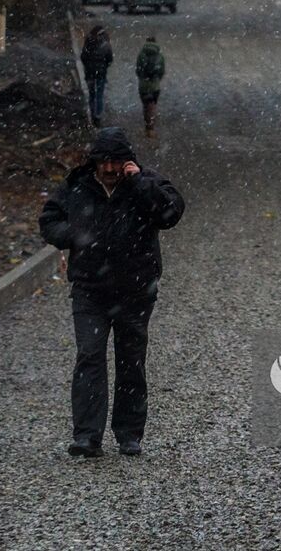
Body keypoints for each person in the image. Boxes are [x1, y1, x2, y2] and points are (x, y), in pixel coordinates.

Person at [39, 127, 186, 458]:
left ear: (128, 162)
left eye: (116, 162)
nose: (109, 169)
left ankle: (129, 433)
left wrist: (139, 183)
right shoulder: (77, 186)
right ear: (94, 162)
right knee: (89, 355)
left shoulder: (145, 183)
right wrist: (74, 235)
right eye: (104, 162)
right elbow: (48, 220)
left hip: (135, 290)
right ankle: (87, 435)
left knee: (130, 359)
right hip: (89, 289)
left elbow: (170, 214)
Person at [79, 25, 114, 127]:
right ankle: (97, 117)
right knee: (99, 95)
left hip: (89, 74)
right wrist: (104, 66)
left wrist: (88, 66)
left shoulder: (88, 43)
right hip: (101, 74)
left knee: (92, 95)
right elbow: (110, 59)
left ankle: (92, 114)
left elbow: (83, 57)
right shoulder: (106, 45)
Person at [135, 36, 165, 138]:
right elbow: (161, 71)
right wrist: (156, 79)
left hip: (143, 86)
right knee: (152, 105)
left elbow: (138, 71)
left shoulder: (141, 54)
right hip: (155, 86)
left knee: (145, 105)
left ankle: (147, 124)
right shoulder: (160, 56)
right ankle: (151, 128)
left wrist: (143, 78)